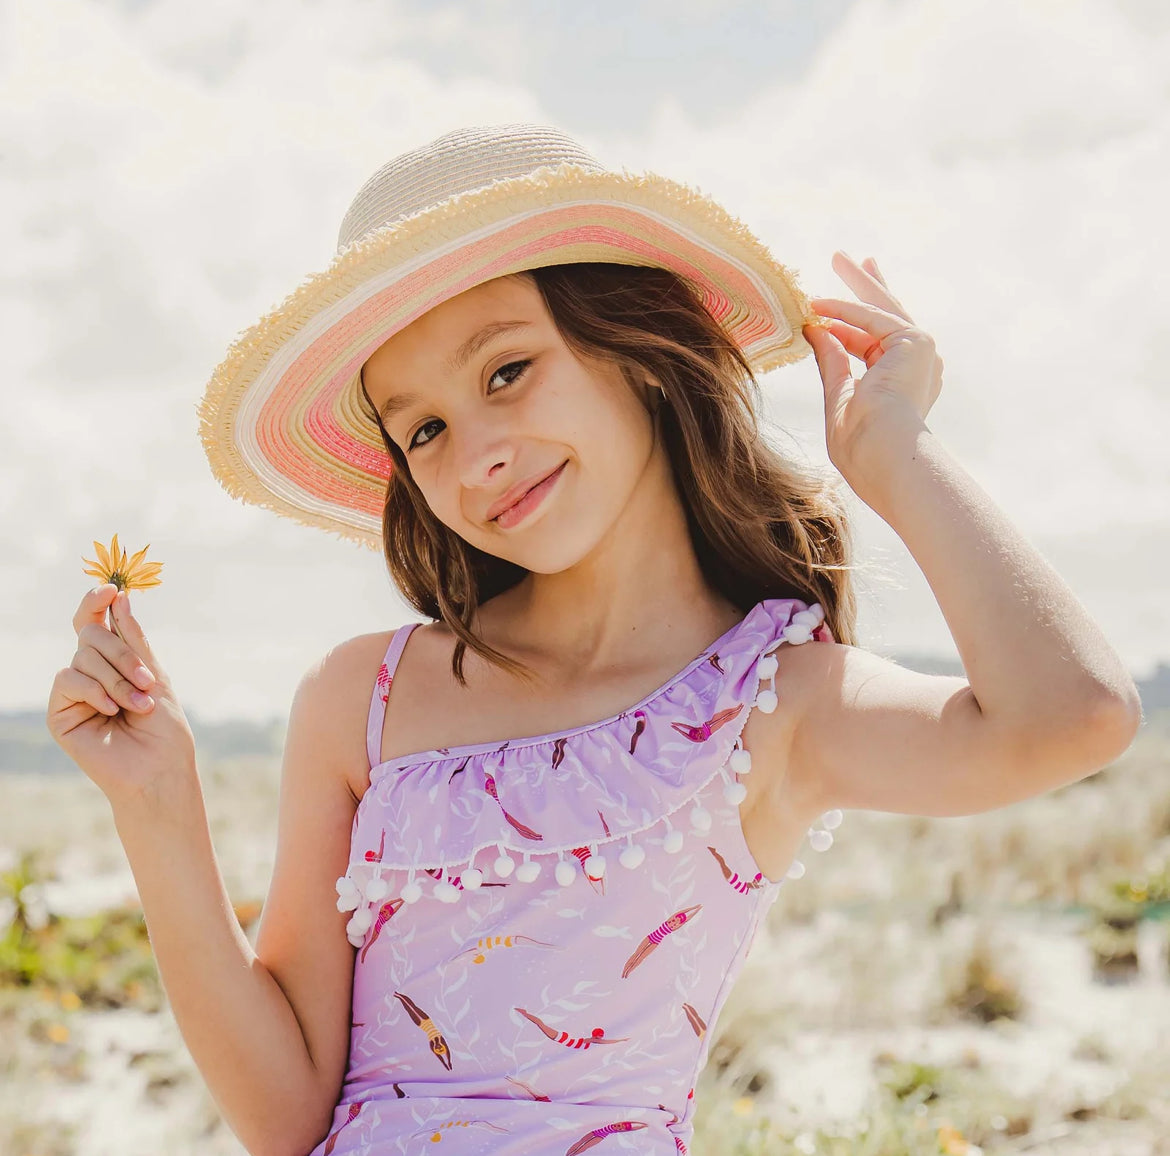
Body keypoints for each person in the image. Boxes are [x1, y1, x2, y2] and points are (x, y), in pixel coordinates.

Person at [47, 124, 1143, 1156]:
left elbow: (1076, 715)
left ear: (639, 348)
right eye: (424, 427)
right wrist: (157, 803)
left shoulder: (774, 705)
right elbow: (287, 1114)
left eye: (507, 370)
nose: (475, 452)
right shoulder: (361, 698)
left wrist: (895, 454)